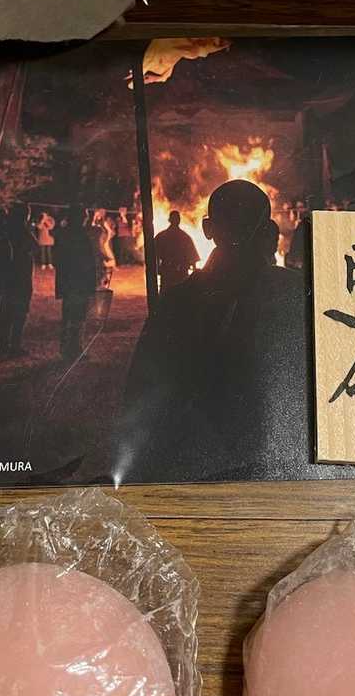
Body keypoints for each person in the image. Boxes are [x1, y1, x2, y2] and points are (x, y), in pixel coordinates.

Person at [120, 180, 308, 481]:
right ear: (269, 232)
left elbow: (141, 401)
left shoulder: (175, 303)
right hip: (277, 470)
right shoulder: (299, 294)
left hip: (192, 467)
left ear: (208, 229)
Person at [54, 206, 99, 359]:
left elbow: (58, 258)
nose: (86, 218)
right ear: (79, 217)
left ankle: (66, 348)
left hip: (68, 282)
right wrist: (91, 282)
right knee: (77, 316)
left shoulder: (64, 234)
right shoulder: (79, 235)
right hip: (78, 282)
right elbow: (87, 261)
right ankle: (74, 349)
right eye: (84, 216)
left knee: (68, 315)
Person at [0, 202, 38, 354]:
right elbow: (35, 246)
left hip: (8, 275)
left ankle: (4, 343)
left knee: (6, 309)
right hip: (21, 275)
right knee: (19, 310)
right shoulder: (23, 231)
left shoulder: (6, 230)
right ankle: (14, 344)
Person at [153, 210, 199, 291]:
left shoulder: (161, 236)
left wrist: (158, 269)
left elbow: (154, 256)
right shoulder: (185, 237)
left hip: (168, 273)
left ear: (169, 220)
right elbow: (193, 259)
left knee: (167, 295)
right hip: (179, 274)